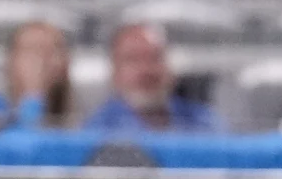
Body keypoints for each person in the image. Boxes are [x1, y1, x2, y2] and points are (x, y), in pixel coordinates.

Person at [85, 20, 220, 132]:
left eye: (155, 57)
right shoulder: (98, 132)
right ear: (115, 71)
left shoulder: (204, 122)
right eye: (133, 60)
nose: (146, 69)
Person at [0, 20, 73, 130]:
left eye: (50, 52)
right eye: (31, 51)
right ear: (10, 62)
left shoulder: (83, 120)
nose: (41, 62)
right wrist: (33, 96)